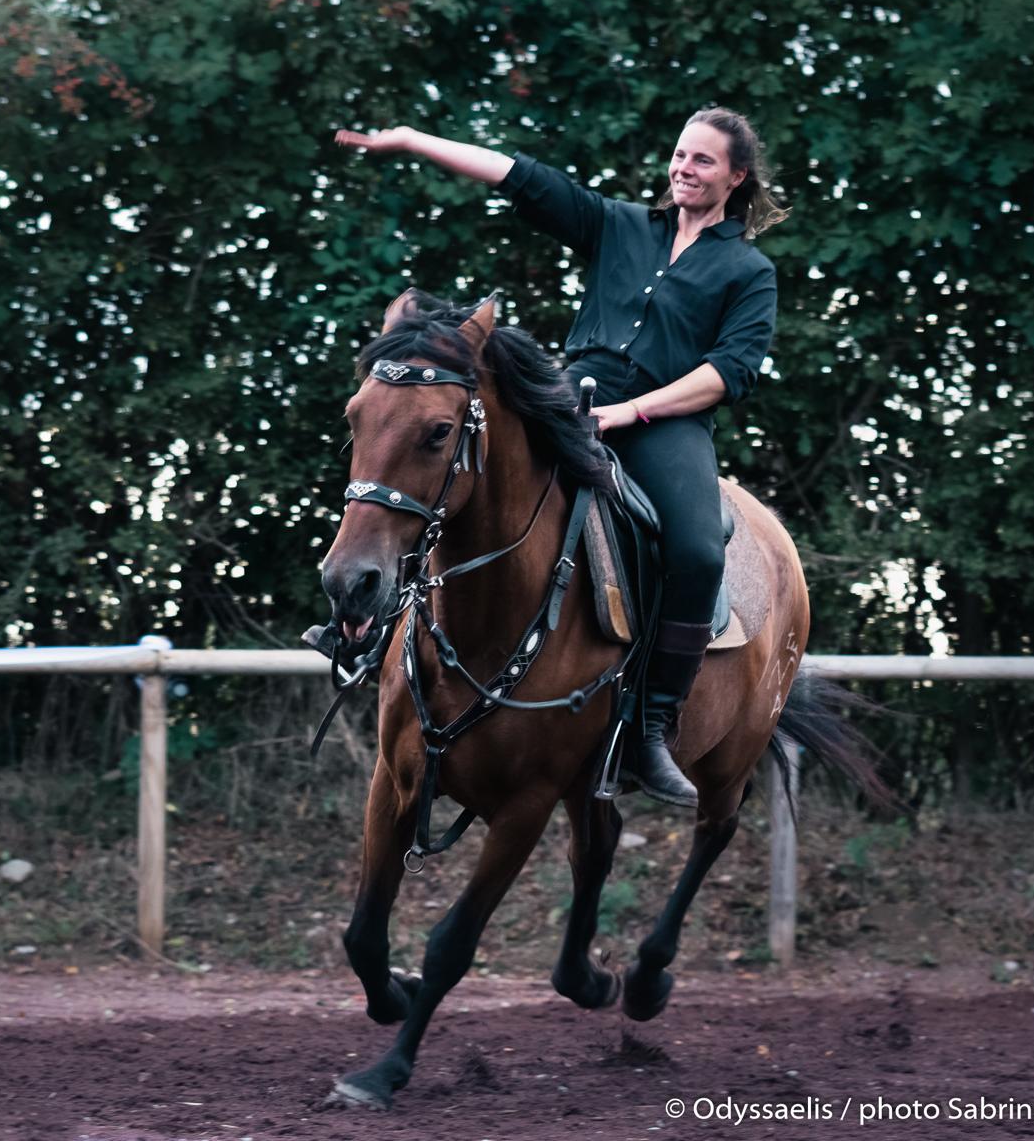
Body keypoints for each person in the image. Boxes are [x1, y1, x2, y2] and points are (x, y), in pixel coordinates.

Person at [334, 109, 785, 809]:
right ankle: (377, 635)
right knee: (451, 475)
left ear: (736, 176)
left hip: (665, 425)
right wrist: (412, 140)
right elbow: (522, 177)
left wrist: (635, 411)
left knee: (698, 552)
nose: (684, 169)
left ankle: (652, 724)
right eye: (679, 155)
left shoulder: (748, 270)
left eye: (702, 160)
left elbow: (730, 371)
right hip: (570, 400)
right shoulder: (620, 225)